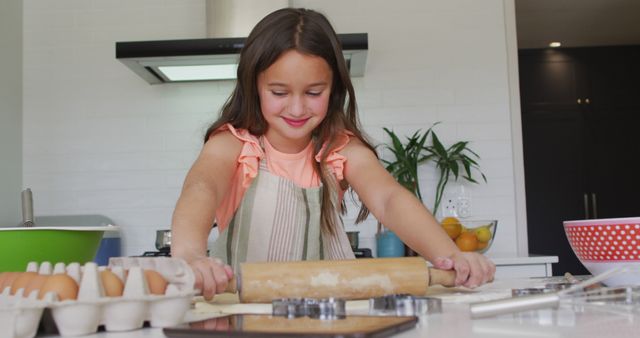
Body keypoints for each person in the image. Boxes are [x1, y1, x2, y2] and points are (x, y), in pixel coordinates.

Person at [171, 7, 495, 300]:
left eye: (314, 92)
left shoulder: (339, 149)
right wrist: (189, 256)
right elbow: (202, 187)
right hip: (246, 314)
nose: (297, 108)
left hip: (329, 313)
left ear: (334, 88)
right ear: (254, 86)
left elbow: (389, 199)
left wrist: (451, 256)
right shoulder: (234, 145)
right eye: (279, 92)